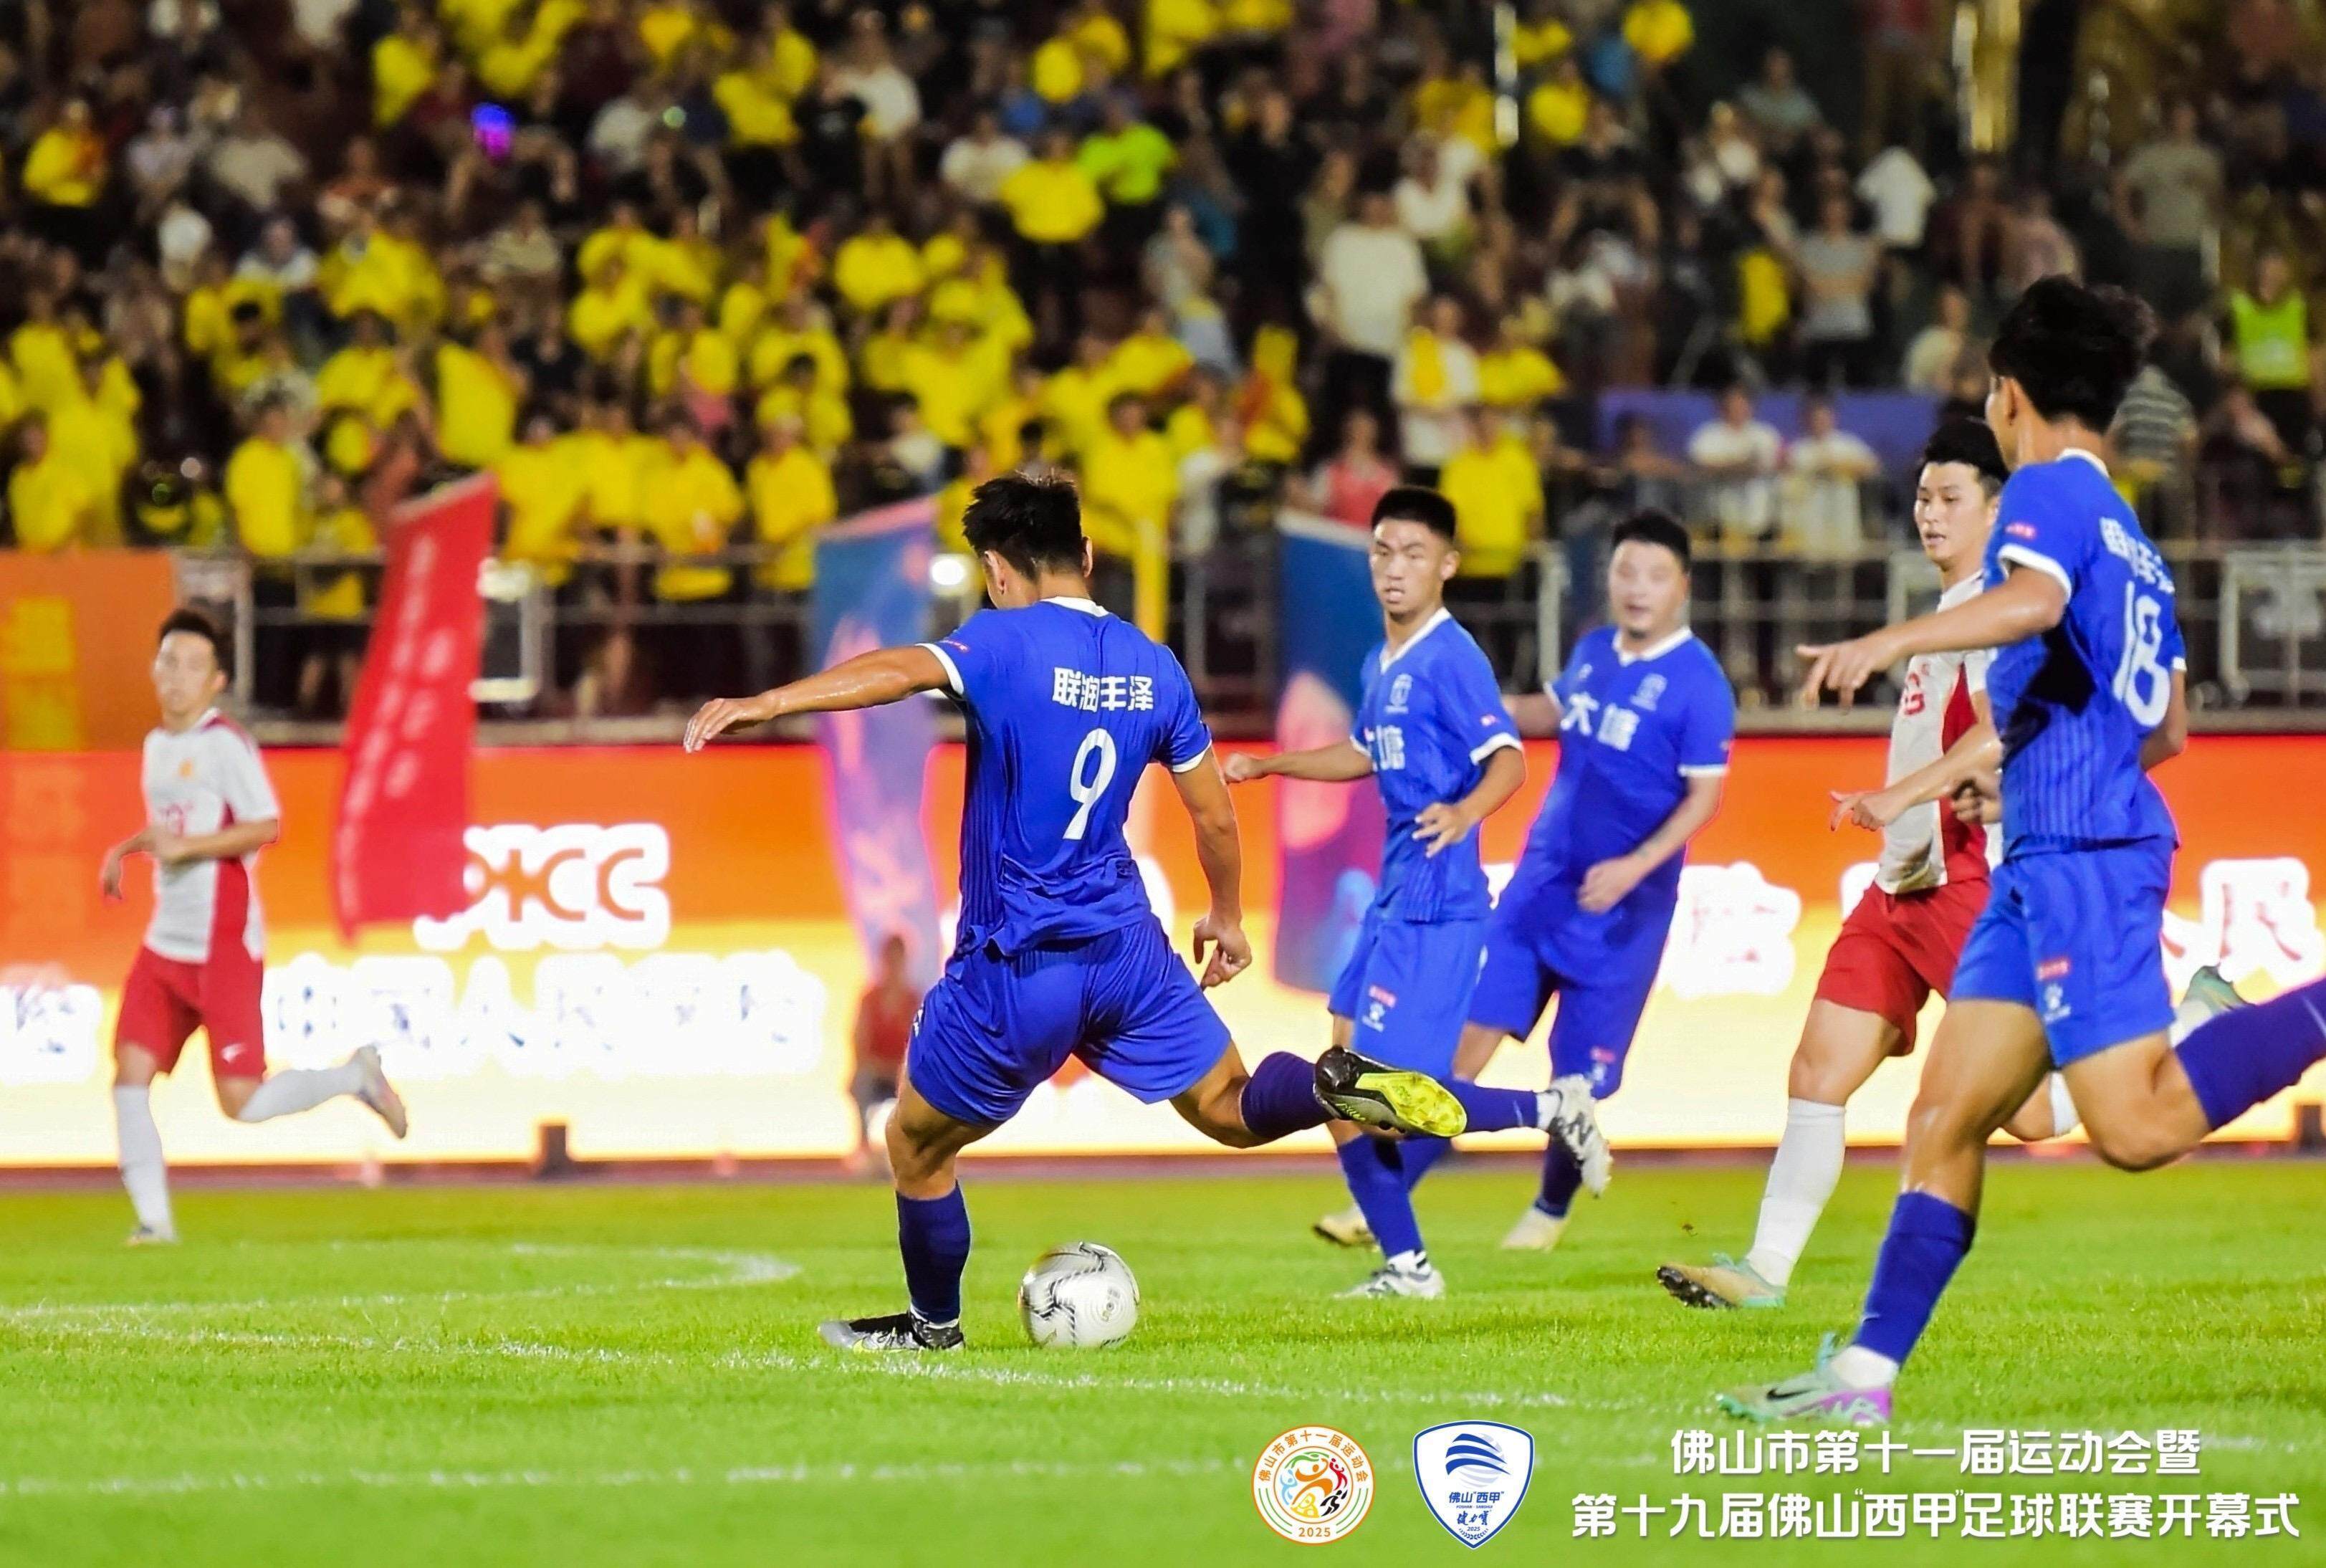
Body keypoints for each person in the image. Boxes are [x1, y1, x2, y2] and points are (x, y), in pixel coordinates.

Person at [681, 474, 1491, 1352]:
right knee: (1230, 1104)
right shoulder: (1155, 664)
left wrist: (772, 701)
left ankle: (934, 1327)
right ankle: (1330, 1082)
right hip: (1127, 953)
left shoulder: (1002, 639)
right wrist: (1227, 917)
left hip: (1019, 961)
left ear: (997, 570)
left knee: (917, 1145)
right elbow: (1215, 815)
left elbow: (902, 671)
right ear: (1090, 554)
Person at [1723, 277, 2326, 1425]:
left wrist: (1887, 639)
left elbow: (2033, 605)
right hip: (2043, 856)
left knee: (2131, 1129)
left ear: (2008, 395)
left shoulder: (2047, 491)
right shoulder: (2134, 539)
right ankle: (1862, 1379)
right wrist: (2039, 766)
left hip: (2084, 856)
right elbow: (2169, 728)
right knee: (1944, 1116)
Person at [1657, 420, 2079, 1311]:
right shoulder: (1950, 611)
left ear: (1996, 509)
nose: (1930, 514)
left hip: (1967, 882)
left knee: (2035, 1116)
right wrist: (1894, 810)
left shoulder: (1998, 610)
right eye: (1922, 497)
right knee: (1818, 1072)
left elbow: (2001, 732)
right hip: (1900, 888)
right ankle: (1763, 1274)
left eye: (1950, 498)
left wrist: (1902, 795)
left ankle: (2189, 1029)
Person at [1222, 487, 1533, 1299]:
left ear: (1448, 566)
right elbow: (1362, 753)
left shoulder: (1451, 656)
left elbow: (1510, 759)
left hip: (1438, 903)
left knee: (1388, 1098)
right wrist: (1273, 764)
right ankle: (1408, 1265)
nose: (1395, 569)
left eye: (1414, 554)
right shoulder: (1380, 661)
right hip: (1393, 901)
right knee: (1343, 1086)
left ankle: (1552, 1111)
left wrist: (1464, 812)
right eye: (1384, 552)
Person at [1457, 510, 1736, 1252]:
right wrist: (1476, 711)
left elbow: (1705, 798)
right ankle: (1384, 1205)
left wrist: (1635, 866)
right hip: (1542, 888)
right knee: (1467, 1044)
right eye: (1625, 572)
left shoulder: (1700, 684)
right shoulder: (1591, 652)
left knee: (1575, 1086)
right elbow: (1549, 711)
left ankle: (1548, 1213)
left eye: (1655, 575)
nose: (1637, 588)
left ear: (1683, 587)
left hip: (1622, 914)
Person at [101, 611, 408, 1245]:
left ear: (216, 681)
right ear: (154, 669)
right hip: (166, 942)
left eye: (193, 666)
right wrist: (126, 849)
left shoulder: (224, 744)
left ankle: (354, 1077)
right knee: (129, 1075)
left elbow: (266, 825)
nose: (177, 676)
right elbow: (174, 830)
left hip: (222, 944)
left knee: (242, 1102)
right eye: (169, 662)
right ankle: (154, 1223)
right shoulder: (157, 746)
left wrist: (189, 848)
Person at [849, 932, 919, 1172]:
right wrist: (875, 1066)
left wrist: (902, 1070)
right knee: (861, 1081)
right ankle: (865, 1149)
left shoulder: (913, 1000)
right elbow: (859, 1041)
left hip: (904, 1074)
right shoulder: (871, 999)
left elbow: (920, 1045)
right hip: (877, 1071)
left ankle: (917, 1151)